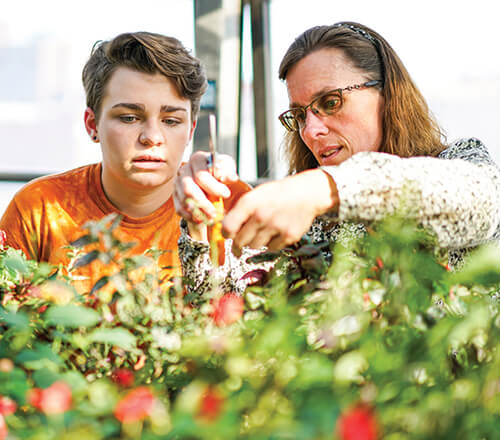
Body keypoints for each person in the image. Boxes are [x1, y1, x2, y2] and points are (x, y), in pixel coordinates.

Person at [174, 22, 500, 294]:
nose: (310, 130)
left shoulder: (460, 162)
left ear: (387, 95)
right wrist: (205, 223)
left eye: (330, 102)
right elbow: (226, 307)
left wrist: (323, 188)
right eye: (299, 115)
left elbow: (481, 200)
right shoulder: (310, 224)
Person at [0, 32, 208, 294]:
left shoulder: (230, 210)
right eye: (130, 118)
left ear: (191, 130)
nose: (152, 137)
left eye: (171, 121)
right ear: (92, 124)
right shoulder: (40, 209)